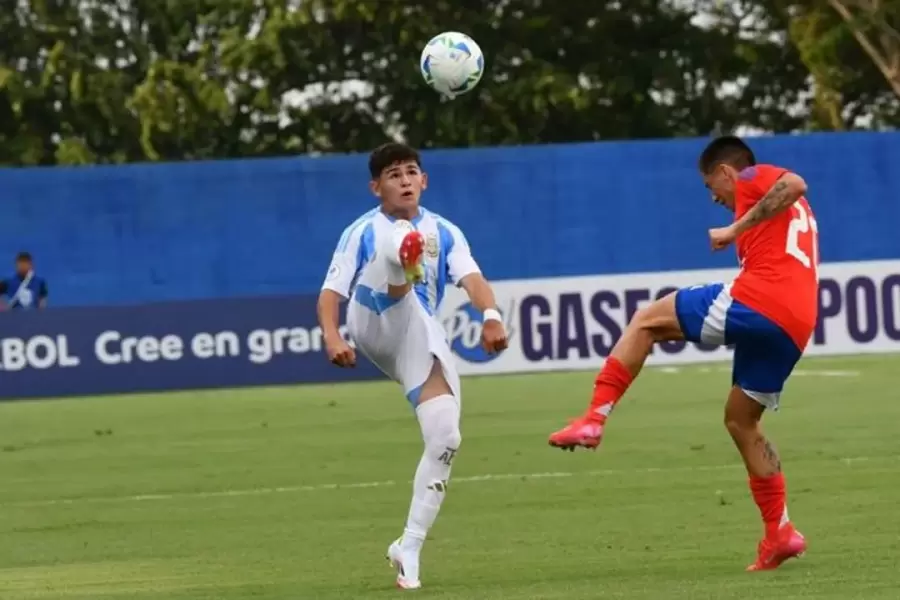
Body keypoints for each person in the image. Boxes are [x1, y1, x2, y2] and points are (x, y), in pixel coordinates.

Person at [548, 136, 819, 572]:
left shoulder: (752, 177)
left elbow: (795, 183)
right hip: (797, 323)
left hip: (763, 298)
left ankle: (593, 418)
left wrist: (734, 229)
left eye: (711, 184)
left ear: (726, 172)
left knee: (646, 321)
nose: (713, 195)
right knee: (740, 419)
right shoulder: (786, 217)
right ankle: (780, 532)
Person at [317, 142, 508, 590]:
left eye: (411, 172)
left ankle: (409, 546)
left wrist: (492, 315)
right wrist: (331, 335)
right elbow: (331, 292)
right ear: (375, 187)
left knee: (446, 436)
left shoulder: (445, 231)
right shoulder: (360, 231)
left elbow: (472, 279)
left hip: (417, 335)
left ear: (424, 180)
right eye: (393, 175)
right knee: (396, 243)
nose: (404, 180)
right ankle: (403, 259)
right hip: (372, 318)